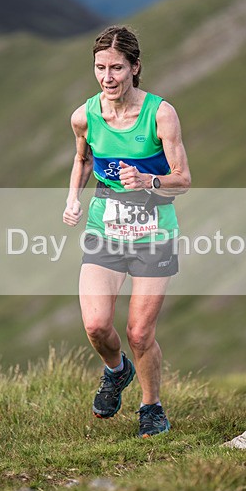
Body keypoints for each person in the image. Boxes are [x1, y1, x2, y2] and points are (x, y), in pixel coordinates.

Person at [62, 25, 192, 438]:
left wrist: (148, 182)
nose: (108, 77)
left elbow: (183, 178)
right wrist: (72, 199)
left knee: (139, 332)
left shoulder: (160, 113)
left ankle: (151, 407)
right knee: (97, 325)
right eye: (100, 68)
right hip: (106, 227)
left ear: (135, 68)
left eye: (117, 67)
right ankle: (117, 372)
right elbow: (83, 160)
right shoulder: (84, 116)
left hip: (154, 231)